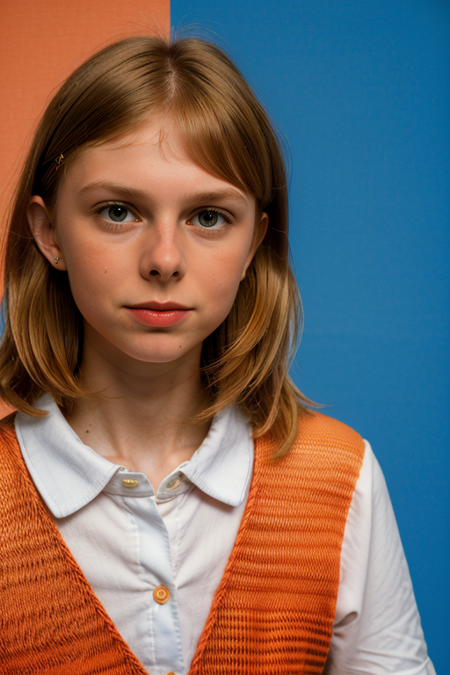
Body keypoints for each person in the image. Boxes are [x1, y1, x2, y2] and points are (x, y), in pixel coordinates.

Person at [0, 36, 435, 675]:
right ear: (48, 232)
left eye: (208, 217)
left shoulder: (342, 479)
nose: (165, 260)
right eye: (118, 212)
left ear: (255, 239)